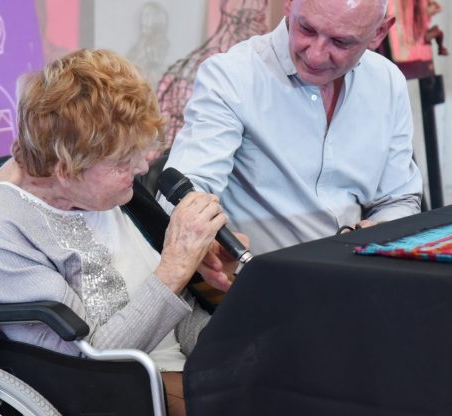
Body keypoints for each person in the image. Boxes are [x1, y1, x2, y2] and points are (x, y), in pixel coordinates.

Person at [0, 49, 243, 416]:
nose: (142, 167)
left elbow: (181, 319)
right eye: (124, 161)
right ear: (65, 170)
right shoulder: (2, 229)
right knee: (259, 409)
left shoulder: (103, 191)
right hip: (112, 388)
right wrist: (175, 267)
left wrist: (223, 319)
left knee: (298, 366)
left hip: (175, 362)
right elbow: (87, 364)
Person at [161, 0, 423, 255]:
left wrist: (379, 232)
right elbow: (182, 196)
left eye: (341, 42)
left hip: (357, 270)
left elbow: (399, 199)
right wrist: (205, 245)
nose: (316, 55)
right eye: (306, 29)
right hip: (257, 274)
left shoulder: (387, 82)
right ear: (288, 4)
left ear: (379, 33)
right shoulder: (233, 76)